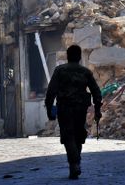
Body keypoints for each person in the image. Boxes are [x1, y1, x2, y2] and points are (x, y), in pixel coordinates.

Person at [45, 45, 102, 180]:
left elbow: (51, 91)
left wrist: (49, 109)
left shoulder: (60, 71)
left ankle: (74, 163)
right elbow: (96, 91)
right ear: (79, 57)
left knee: (68, 135)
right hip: (80, 108)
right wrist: (97, 108)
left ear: (68, 56)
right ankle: (75, 164)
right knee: (77, 135)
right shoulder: (85, 72)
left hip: (65, 108)